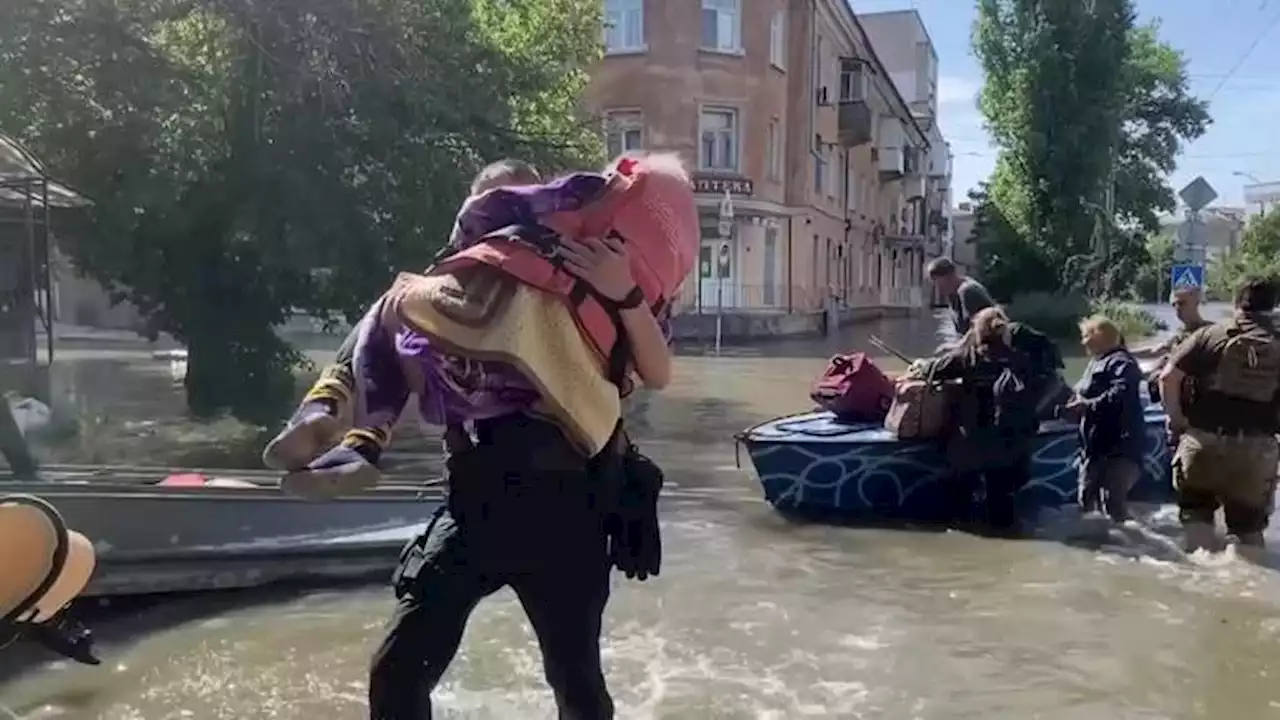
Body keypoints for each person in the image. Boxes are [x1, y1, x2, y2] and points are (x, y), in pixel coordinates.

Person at [339, 152, 694, 719]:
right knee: (396, 673)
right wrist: (360, 433)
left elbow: (658, 372)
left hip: (569, 505)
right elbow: (383, 361)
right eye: (503, 209)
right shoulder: (453, 290)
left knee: (575, 682)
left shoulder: (591, 269)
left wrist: (622, 289)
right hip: (476, 501)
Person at [262, 158, 543, 473]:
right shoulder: (557, 253)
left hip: (505, 431)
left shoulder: (490, 269)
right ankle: (351, 435)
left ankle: (339, 420)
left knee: (392, 310)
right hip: (512, 445)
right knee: (396, 315)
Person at [1159, 277, 1280, 553]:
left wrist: (1177, 420)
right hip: (1257, 449)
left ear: (1237, 302)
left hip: (1203, 441)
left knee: (1197, 518)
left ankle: (1198, 582)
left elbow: (1168, 378)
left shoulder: (1210, 335)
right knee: (1248, 531)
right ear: (1273, 306)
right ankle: (1249, 586)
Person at [915, 306, 1045, 535]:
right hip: (1011, 444)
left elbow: (932, 370)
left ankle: (967, 534)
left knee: (960, 498)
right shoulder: (1021, 360)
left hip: (974, 443)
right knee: (1003, 505)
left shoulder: (968, 358)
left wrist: (919, 366)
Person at [1068, 316, 1145, 523]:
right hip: (1093, 448)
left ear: (1099, 337)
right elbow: (1080, 392)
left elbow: (1122, 393)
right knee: (1087, 502)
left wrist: (1088, 405)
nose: (1083, 342)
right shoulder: (1096, 362)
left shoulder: (1121, 361)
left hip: (1119, 447)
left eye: (1086, 336)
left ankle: (1129, 548)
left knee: (1113, 504)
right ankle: (1097, 547)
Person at [1130, 285, 1212, 402]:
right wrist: (1123, 351)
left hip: (1195, 398)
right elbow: (1156, 350)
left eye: (1182, 303)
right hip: (1172, 395)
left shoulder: (1210, 332)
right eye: (1174, 305)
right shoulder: (1179, 334)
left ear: (1196, 303)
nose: (1178, 308)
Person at [926, 257, 994, 340]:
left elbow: (978, 330)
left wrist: (956, 348)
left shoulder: (968, 291)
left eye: (938, 281)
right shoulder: (952, 294)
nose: (937, 287)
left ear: (951, 275)